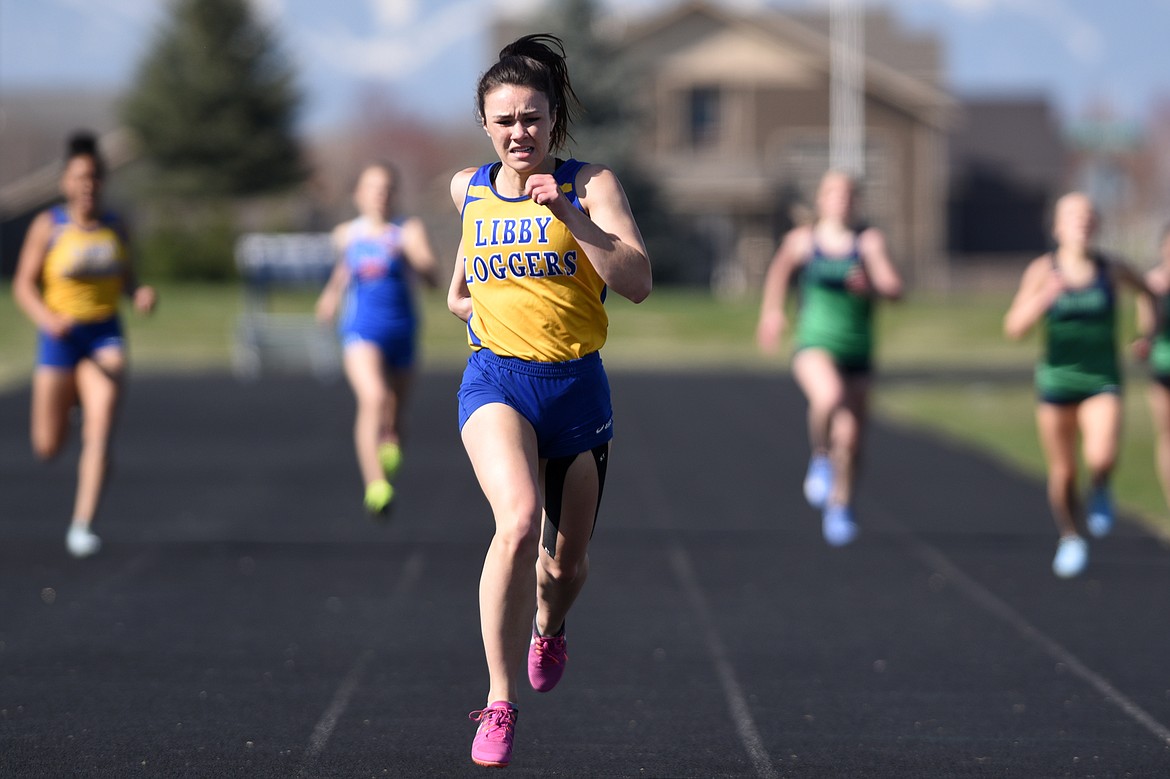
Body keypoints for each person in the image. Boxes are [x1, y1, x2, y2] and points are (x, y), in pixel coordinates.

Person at [447, 33, 652, 769]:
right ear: (484, 124)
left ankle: (548, 625)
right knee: (517, 519)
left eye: (531, 119)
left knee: (565, 566)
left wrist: (569, 213)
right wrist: (458, 294)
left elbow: (636, 280)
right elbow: (467, 271)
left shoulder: (591, 184)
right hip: (496, 381)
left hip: (575, 389)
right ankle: (499, 698)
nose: (518, 134)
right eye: (504, 121)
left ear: (553, 119)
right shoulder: (467, 188)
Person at [12, 131, 157, 558]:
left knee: (102, 426)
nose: (87, 184)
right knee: (47, 447)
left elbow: (128, 278)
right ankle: (71, 401)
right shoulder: (49, 226)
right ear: (65, 182)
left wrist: (140, 294)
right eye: (79, 177)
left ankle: (82, 524)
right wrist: (46, 319)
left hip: (103, 334)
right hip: (60, 337)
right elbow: (23, 284)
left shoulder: (115, 226)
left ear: (102, 182)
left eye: (94, 176)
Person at [1004, 192, 1155, 578]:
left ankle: (1102, 484)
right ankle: (1071, 535)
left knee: (1100, 455)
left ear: (1097, 225)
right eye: (1072, 215)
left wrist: (1146, 333)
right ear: (1057, 227)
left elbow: (1147, 291)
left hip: (1101, 379)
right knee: (1064, 472)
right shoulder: (1043, 270)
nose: (1081, 222)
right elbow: (1014, 328)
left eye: (1088, 215)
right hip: (1056, 383)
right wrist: (1044, 299)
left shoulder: (1111, 268)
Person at [755, 170, 903, 547]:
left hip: (858, 349)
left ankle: (841, 504)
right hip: (814, 344)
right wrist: (772, 312)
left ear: (856, 201)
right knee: (829, 397)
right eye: (833, 192)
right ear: (820, 199)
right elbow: (778, 272)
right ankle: (820, 457)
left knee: (852, 439)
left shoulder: (868, 243)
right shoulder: (803, 241)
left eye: (848, 193)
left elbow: (894, 289)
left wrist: (869, 286)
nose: (841, 199)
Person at [315, 162, 440, 516]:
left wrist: (418, 259)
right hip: (360, 330)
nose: (380, 195)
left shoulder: (407, 230)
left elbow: (431, 275)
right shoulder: (346, 234)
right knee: (375, 398)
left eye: (386, 188)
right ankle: (376, 486)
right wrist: (330, 296)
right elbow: (345, 269)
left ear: (394, 194)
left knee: (396, 411)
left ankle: (391, 437)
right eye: (372, 187)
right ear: (358, 194)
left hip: (402, 331)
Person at [1140, 225, 1170, 515]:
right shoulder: (1153, 283)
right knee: (1166, 435)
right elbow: (1147, 330)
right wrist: (1153, 299)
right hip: (1163, 367)